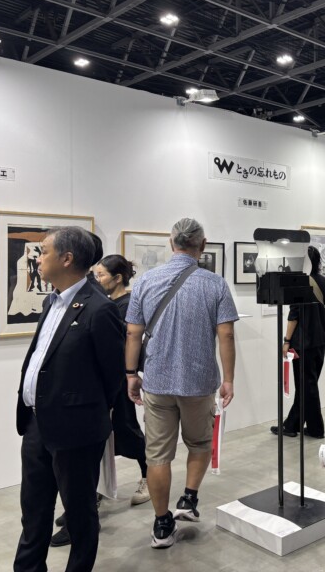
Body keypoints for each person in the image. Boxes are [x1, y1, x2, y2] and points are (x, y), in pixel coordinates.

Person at [14, 226, 125, 572]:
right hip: (36, 424)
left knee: (79, 514)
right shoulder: (52, 300)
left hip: (76, 430)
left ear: (67, 258)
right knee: (34, 510)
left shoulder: (99, 309)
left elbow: (112, 376)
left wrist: (83, 410)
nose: (38, 258)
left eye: (44, 251)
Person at [125, 218, 238, 549]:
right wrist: (228, 379)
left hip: (157, 382)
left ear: (171, 243)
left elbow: (133, 333)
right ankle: (188, 498)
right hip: (199, 382)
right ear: (202, 246)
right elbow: (226, 335)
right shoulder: (215, 284)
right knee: (199, 442)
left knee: (157, 454)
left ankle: (162, 524)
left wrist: (131, 374)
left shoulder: (146, 281)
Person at [95, 255, 150, 504]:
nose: (97, 280)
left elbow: (127, 344)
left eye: (101, 275)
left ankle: (149, 477)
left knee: (127, 428)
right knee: (102, 434)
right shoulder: (106, 303)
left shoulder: (126, 305)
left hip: (119, 378)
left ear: (117, 278)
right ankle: (98, 486)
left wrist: (129, 374)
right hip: (104, 380)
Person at [271, 246, 325, 439]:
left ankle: (316, 428)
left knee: (307, 386)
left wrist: (286, 341)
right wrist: (324, 334)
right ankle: (292, 424)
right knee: (307, 385)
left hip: (302, 343)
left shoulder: (299, 283)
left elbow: (294, 316)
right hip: (320, 342)